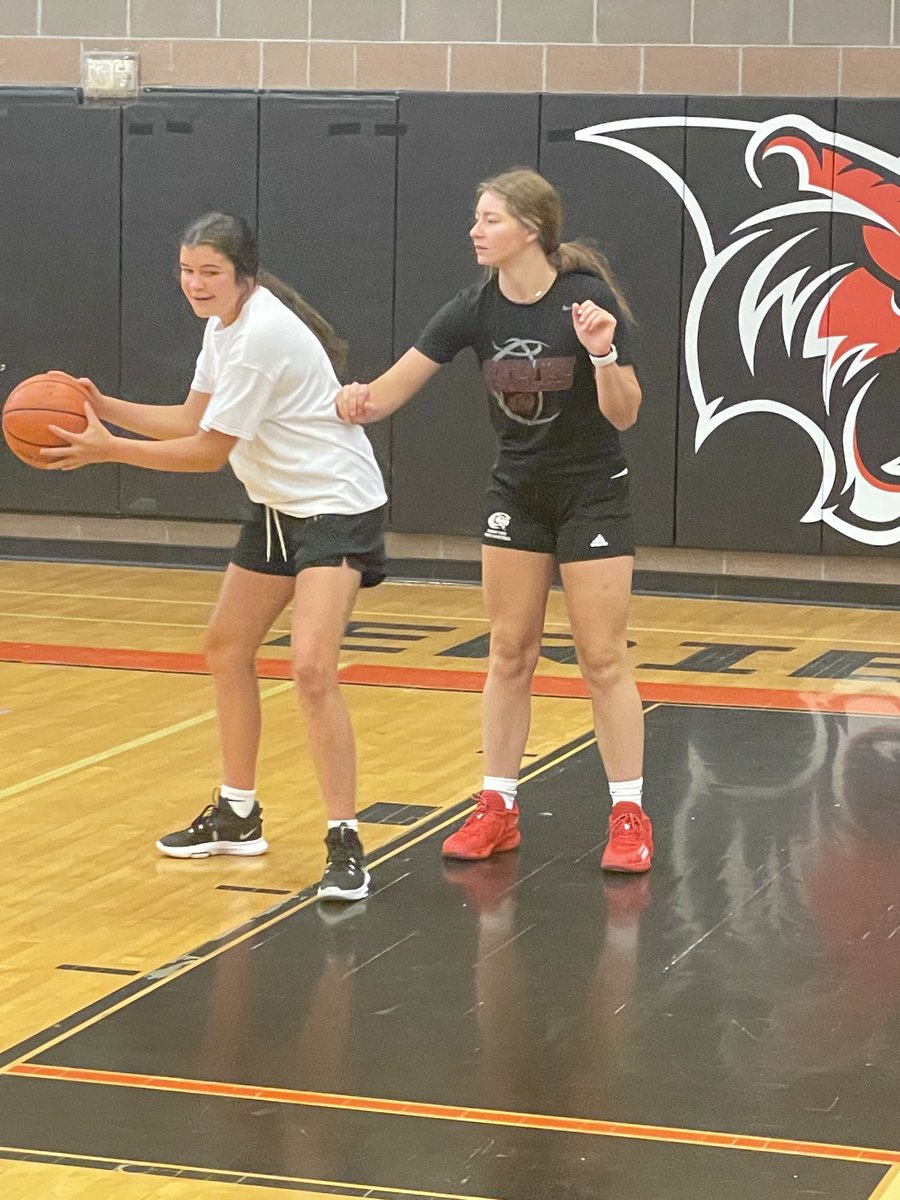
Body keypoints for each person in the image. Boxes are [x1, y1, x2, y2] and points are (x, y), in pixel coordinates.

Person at [43, 212, 387, 902]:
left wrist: (107, 448)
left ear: (244, 276)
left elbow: (207, 452)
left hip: (335, 507)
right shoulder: (225, 327)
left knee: (313, 668)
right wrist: (98, 404)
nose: (195, 283)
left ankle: (346, 839)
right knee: (226, 650)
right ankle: (236, 812)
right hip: (277, 508)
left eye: (210, 272)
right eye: (186, 269)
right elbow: (191, 417)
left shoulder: (261, 334)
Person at [336, 168, 652, 873]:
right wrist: (348, 399)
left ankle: (629, 814)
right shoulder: (472, 310)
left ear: (530, 230)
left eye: (489, 219)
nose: (475, 231)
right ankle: (497, 806)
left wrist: (601, 351)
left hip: (593, 492)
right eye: (476, 219)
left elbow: (625, 412)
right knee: (510, 652)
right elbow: (389, 392)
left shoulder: (586, 300)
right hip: (518, 493)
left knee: (602, 659)